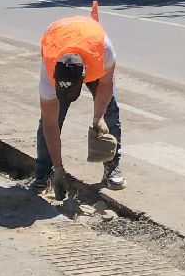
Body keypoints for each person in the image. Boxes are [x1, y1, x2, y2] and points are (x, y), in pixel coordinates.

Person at [30, 13, 125, 194]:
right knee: (49, 119)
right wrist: (59, 167)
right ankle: (45, 172)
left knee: (110, 111)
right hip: (60, 37)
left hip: (90, 43)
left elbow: (106, 84)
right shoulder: (49, 68)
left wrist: (98, 118)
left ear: (84, 76)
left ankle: (112, 168)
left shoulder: (103, 51)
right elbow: (50, 125)